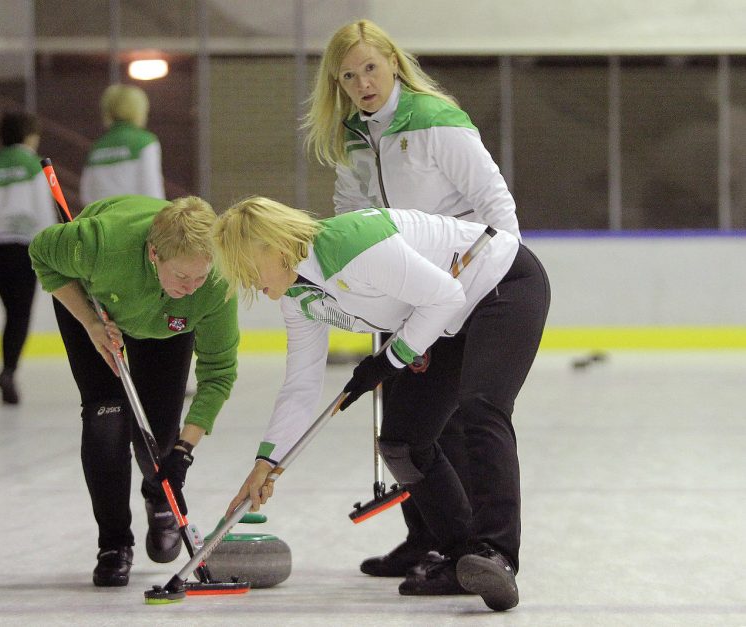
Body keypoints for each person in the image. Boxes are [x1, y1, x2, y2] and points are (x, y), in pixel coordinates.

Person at [215, 197, 549, 612]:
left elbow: (445, 294)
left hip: (500, 285)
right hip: (442, 320)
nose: (248, 284)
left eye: (247, 270)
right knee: (402, 442)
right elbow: (301, 386)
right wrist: (266, 463)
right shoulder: (297, 296)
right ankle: (463, 556)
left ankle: (497, 553)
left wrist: (389, 361)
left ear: (275, 248)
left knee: (481, 408)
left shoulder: (350, 245)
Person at [301, 18, 522, 580]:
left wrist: (488, 280)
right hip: (400, 288)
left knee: (451, 418)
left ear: (393, 63)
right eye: (348, 76)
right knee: (404, 417)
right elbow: (349, 213)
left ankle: (471, 544)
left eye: (370, 68)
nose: (362, 83)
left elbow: (497, 206)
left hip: (466, 285)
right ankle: (423, 533)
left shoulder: (434, 121)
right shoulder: (354, 136)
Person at [28, 194, 238, 588]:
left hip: (166, 327)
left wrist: (183, 451)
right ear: (154, 253)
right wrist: (91, 323)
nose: (192, 288)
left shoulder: (213, 284)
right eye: (181, 277)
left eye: (199, 277)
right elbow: (41, 252)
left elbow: (219, 372)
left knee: (159, 438)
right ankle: (113, 543)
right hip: (97, 309)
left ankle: (158, 497)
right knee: (105, 420)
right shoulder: (100, 243)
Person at [0, 112, 58, 404]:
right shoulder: (34, 165)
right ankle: (8, 370)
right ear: (29, 135)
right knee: (20, 313)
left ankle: (7, 369)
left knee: (11, 311)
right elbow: (43, 211)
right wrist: (52, 249)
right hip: (25, 247)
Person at [79, 84, 165, 205]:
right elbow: (153, 191)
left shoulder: (97, 147)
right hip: (135, 220)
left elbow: (86, 195)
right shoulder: (146, 142)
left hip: (102, 220)